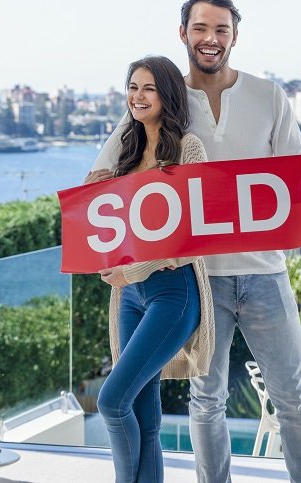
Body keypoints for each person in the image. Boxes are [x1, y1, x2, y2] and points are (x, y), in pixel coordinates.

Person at [92, 0, 301, 483]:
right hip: (201, 280)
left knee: (293, 398)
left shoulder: (269, 95)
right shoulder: (163, 94)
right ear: (183, 33)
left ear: (234, 36)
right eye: (201, 28)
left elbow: (293, 177)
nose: (210, 39)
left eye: (221, 30)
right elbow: (107, 173)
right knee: (207, 400)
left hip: (266, 273)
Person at [86, 55, 215, 483]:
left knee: (111, 401)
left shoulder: (188, 148)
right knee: (143, 411)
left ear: (167, 95)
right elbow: (109, 221)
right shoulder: (126, 149)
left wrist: (134, 272)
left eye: (148, 89)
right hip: (128, 295)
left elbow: (189, 237)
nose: (137, 97)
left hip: (172, 293)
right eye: (132, 87)